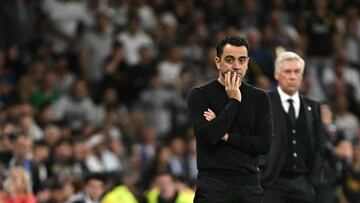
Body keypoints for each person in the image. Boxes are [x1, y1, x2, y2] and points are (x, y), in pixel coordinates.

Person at [187, 35, 273, 203]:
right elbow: (209, 136)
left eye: (242, 60)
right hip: (212, 185)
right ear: (218, 62)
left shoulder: (260, 98)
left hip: (249, 187)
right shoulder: (200, 95)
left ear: (247, 63)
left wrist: (226, 136)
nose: (236, 66)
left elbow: (264, 145)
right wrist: (234, 100)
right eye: (229, 60)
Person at [260, 51, 325, 203]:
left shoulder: (313, 107)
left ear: (302, 76)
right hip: (272, 184)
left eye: (297, 72)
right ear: (277, 74)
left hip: (304, 184)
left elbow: (319, 146)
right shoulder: (263, 103)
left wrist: (312, 181)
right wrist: (261, 176)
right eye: (287, 71)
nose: (292, 76)